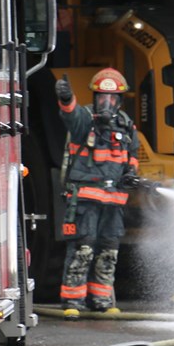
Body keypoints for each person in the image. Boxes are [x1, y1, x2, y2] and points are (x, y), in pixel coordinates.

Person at [54, 68, 139, 319]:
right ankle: (73, 300)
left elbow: (132, 155)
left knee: (108, 250)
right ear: (95, 97)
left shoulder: (126, 125)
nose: (107, 103)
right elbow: (69, 114)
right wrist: (67, 98)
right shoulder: (85, 121)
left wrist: (131, 174)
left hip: (114, 202)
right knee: (83, 248)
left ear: (120, 100)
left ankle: (102, 299)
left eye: (112, 98)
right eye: (102, 97)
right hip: (85, 200)